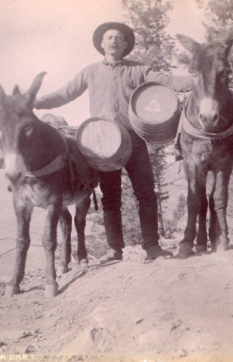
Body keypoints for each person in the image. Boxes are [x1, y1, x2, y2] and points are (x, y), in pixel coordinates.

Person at [34, 22, 192, 262]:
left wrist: (200, 81)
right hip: (102, 142)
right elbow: (66, 93)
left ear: (126, 44)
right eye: (109, 38)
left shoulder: (139, 69)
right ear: (101, 43)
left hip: (134, 138)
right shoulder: (90, 72)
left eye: (119, 38)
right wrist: (36, 102)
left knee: (146, 192)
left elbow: (167, 81)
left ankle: (152, 247)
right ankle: (114, 250)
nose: (114, 41)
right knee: (110, 196)